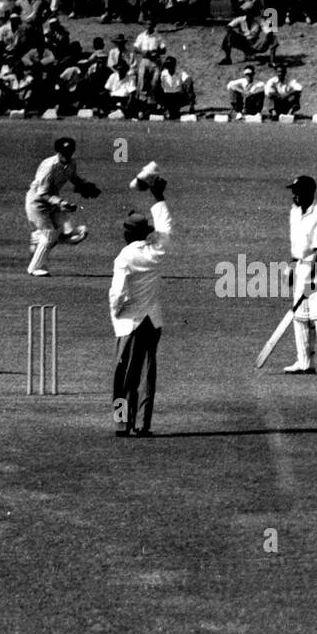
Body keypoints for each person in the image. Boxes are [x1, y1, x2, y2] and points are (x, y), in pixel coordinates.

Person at [109, 174, 171, 437]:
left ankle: (123, 424)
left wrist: (116, 315)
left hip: (130, 322)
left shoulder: (125, 256)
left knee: (124, 377)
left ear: (127, 233)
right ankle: (142, 425)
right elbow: (166, 227)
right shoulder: (156, 250)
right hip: (152, 321)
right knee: (146, 375)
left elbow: (117, 293)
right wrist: (158, 197)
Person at [281, 175, 317, 376]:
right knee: (300, 316)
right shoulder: (294, 213)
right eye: (293, 192)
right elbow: (296, 245)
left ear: (308, 193)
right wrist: (292, 266)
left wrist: (313, 279)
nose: (294, 196)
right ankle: (304, 362)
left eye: (297, 192)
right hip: (301, 267)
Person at [24, 136, 99, 277]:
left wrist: (85, 185)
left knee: (74, 234)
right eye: (64, 153)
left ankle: (42, 239)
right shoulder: (49, 167)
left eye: (70, 152)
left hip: (53, 201)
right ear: (58, 152)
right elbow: (42, 193)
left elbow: (74, 177)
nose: (67, 156)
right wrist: (61, 203)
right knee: (49, 235)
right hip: (37, 203)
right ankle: (34, 268)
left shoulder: (71, 163)